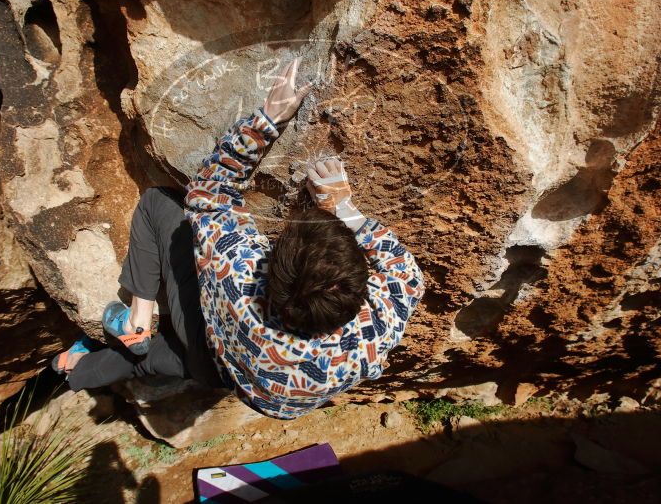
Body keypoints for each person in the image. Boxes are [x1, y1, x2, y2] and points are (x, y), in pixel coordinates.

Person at [53, 58, 425, 419]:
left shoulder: (240, 278)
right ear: (361, 290)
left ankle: (138, 319)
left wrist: (269, 120)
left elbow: (209, 194)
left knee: (157, 203)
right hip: (236, 380)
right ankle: (82, 370)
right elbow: (404, 272)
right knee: (155, 362)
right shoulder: (376, 329)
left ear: (272, 271)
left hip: (213, 346)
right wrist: (343, 207)